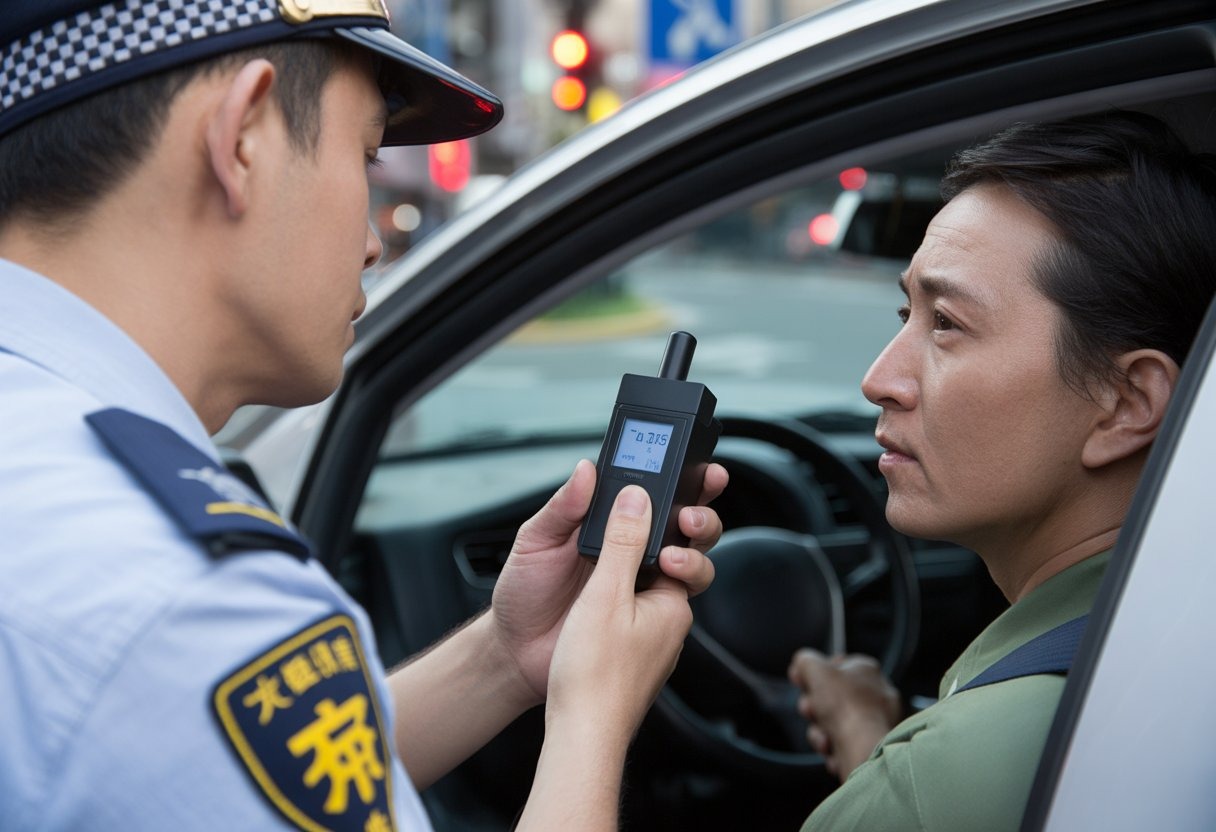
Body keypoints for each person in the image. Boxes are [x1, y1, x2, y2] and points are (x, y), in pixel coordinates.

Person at [0, 3, 727, 830]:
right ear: (242, 138)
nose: (376, 242)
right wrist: (594, 713)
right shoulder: (183, 607)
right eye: (368, 155)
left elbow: (226, 775)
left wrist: (502, 658)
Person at [788, 111, 1216, 830]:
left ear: (1126, 404)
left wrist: (593, 701)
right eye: (905, 312)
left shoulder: (950, 775)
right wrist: (879, 742)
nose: (878, 378)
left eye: (946, 324)